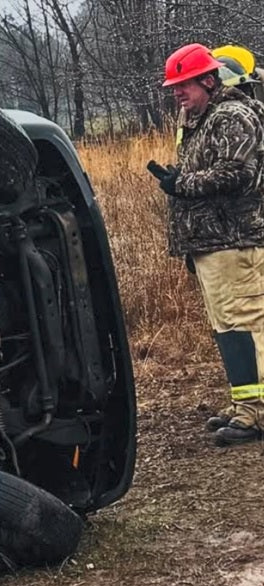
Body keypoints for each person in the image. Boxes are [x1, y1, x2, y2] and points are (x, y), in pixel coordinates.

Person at [151, 43, 264, 446]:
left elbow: (238, 174)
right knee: (227, 327)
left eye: (184, 85)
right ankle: (245, 407)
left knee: (244, 324)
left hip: (235, 239)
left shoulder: (231, 116)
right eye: (174, 86)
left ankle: (256, 413)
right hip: (212, 241)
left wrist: (181, 183)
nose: (177, 92)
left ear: (209, 80)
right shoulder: (200, 119)